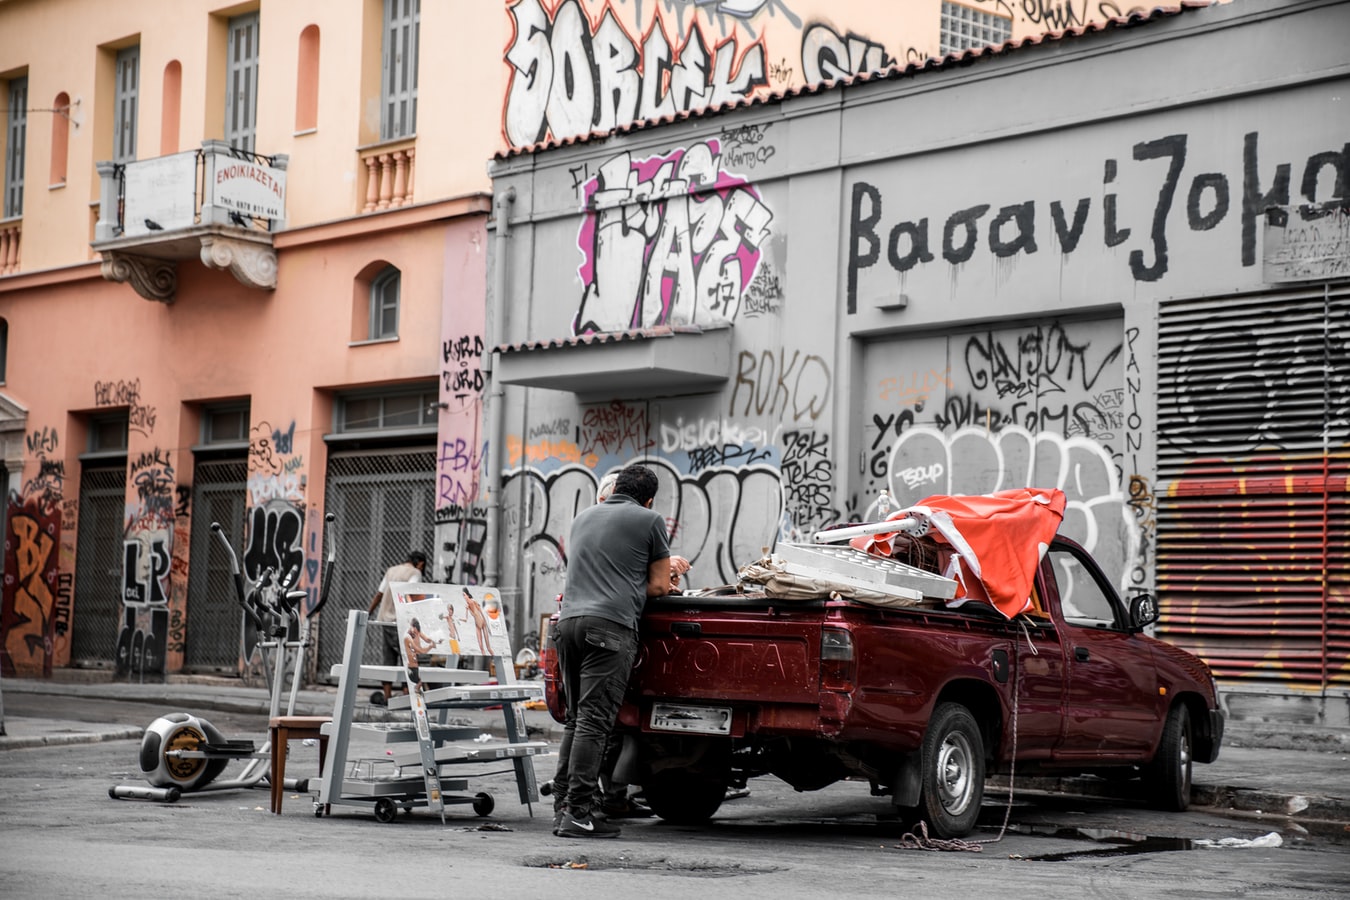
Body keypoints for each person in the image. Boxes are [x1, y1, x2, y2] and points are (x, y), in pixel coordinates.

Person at [551, 464, 689, 839]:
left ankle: (562, 806)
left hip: (568, 625)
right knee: (596, 723)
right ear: (649, 498)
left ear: (615, 488)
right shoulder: (650, 519)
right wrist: (663, 580)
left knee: (577, 720)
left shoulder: (583, 517)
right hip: (609, 628)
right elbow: (659, 586)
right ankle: (579, 814)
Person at [367, 549, 427, 705]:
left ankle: (387, 697)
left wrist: (368, 612)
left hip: (386, 621)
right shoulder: (415, 573)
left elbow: (379, 594)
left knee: (388, 659)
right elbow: (411, 595)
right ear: (420, 563)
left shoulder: (391, 570)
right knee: (408, 659)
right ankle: (407, 696)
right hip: (402, 622)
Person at [402, 618, 436, 692]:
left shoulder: (418, 632)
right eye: (415, 632)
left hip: (419, 657)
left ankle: (424, 687)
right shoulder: (408, 638)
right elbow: (418, 649)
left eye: (417, 632)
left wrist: (434, 639)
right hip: (413, 659)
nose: (416, 634)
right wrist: (429, 647)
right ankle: (415, 688)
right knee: (418, 676)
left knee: (426, 674)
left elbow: (427, 639)